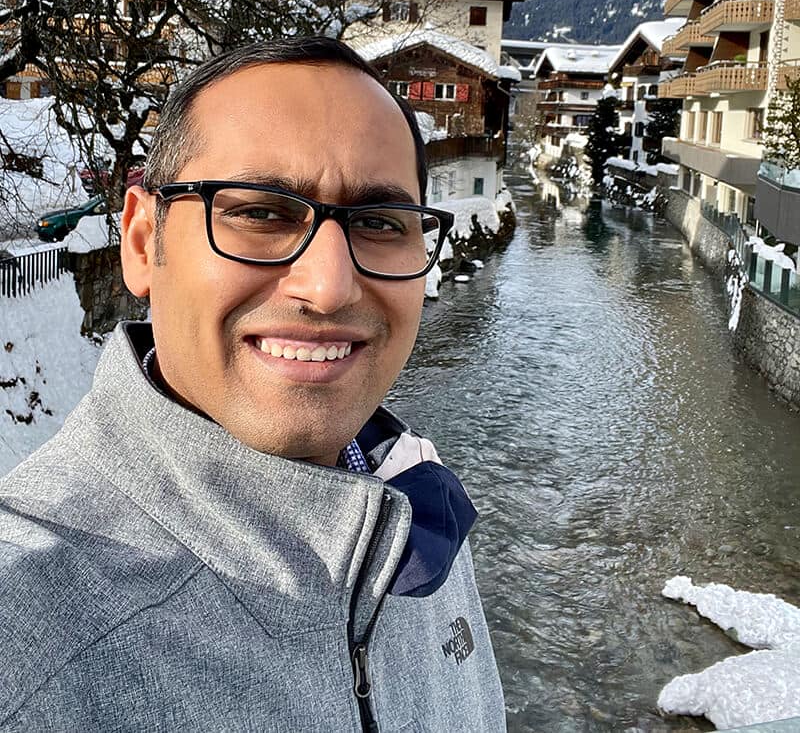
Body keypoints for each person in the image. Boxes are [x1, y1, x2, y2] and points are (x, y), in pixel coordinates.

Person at [0, 37, 506, 732]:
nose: (329, 287)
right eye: (262, 212)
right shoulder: (29, 624)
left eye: (379, 223)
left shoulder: (420, 517)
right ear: (143, 241)